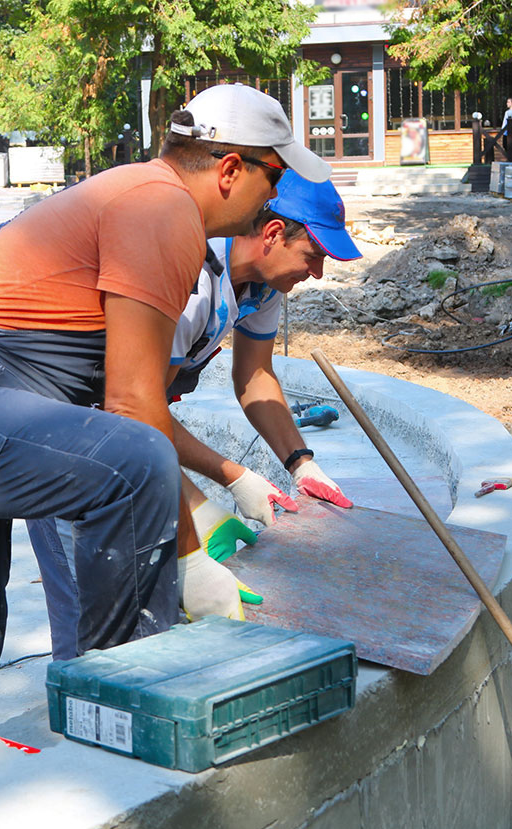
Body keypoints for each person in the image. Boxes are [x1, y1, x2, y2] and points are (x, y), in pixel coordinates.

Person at [0, 84, 330, 703]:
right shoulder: (163, 209)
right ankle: (120, 708)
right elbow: (132, 406)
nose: (276, 195)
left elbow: (113, 391)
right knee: (134, 464)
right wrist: (188, 557)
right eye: (276, 176)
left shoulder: (143, 196)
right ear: (231, 169)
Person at [28, 171, 362, 657]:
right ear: (272, 235)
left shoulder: (263, 286)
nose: (317, 275)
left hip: (125, 438)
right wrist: (230, 479)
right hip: (68, 438)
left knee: (146, 610)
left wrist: (300, 462)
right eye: (313, 257)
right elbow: (138, 410)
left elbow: (254, 375)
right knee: (89, 627)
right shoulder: (189, 282)